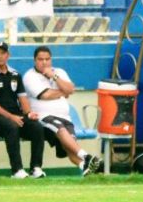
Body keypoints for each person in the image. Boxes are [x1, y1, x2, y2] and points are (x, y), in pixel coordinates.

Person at [23, 46, 102, 176]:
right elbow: (45, 95)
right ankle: (86, 156)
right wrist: (63, 91)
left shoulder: (59, 72)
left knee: (69, 143)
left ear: (51, 59)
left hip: (65, 116)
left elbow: (70, 89)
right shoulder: (29, 76)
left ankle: (84, 166)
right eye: (40, 59)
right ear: (34, 60)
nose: (44, 62)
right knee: (61, 130)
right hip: (44, 117)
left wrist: (54, 77)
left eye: (47, 59)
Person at [0, 42, 46, 179]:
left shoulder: (15, 74)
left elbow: (23, 99)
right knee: (12, 127)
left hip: (15, 116)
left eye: (2, 53)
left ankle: (36, 168)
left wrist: (28, 114)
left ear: (8, 55)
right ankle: (17, 170)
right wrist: (11, 117)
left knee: (37, 127)